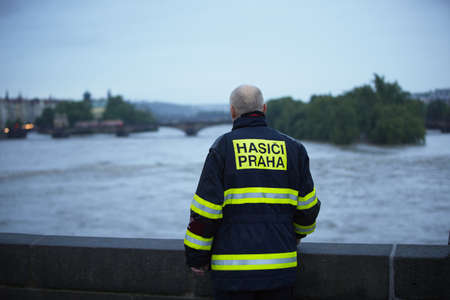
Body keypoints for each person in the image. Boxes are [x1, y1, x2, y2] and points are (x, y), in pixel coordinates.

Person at [184, 85, 321, 300]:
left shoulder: (223, 148)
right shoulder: (293, 148)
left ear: (232, 112)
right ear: (264, 109)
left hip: (231, 274)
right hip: (280, 269)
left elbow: (205, 211)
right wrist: (296, 235)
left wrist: (196, 256)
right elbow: (308, 208)